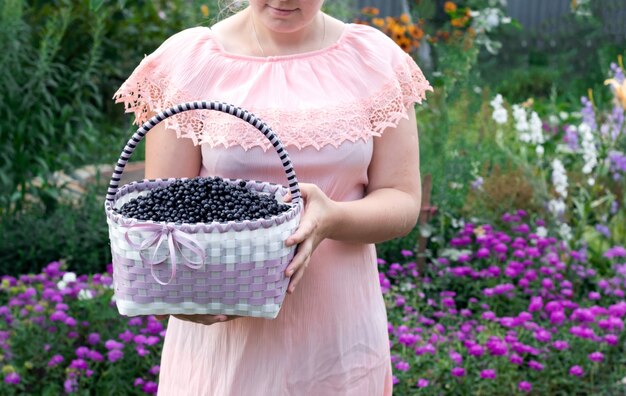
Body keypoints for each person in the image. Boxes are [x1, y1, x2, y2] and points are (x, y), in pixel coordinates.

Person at [113, 1, 432, 394]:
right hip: (226, 348)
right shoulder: (190, 64)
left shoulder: (373, 61)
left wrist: (332, 218)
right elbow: (160, 223)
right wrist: (177, 303)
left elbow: (401, 199)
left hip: (340, 341)